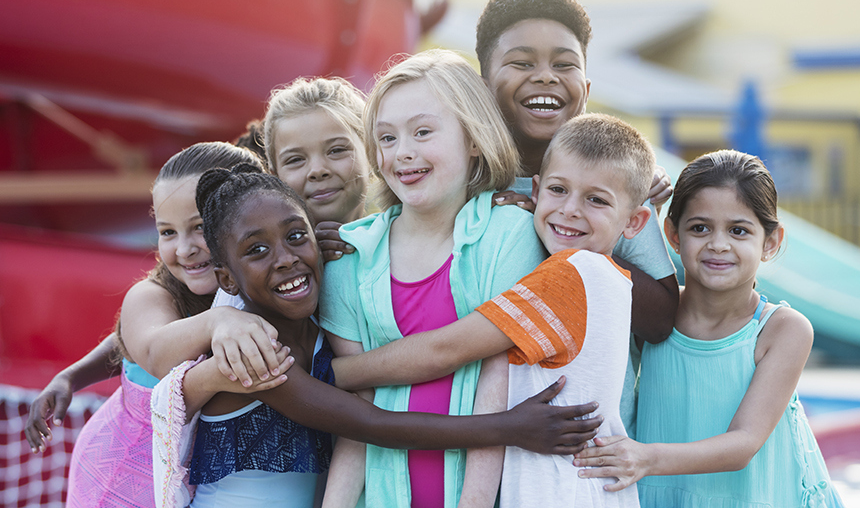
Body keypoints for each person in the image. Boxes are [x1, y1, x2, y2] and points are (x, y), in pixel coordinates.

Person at [152, 165, 603, 508]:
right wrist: (508, 428)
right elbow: (372, 425)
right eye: (257, 250)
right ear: (227, 280)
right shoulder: (252, 355)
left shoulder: (322, 321)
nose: (286, 258)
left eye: (295, 236)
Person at [332, 113, 656, 507]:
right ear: (534, 190)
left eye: (596, 200)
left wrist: (330, 374)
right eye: (558, 190)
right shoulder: (614, 281)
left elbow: (446, 350)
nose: (570, 210)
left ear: (635, 222)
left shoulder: (572, 275)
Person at [317, 49, 550, 507]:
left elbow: (496, 378)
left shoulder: (510, 235)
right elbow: (357, 417)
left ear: (474, 139)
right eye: (386, 138)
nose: (402, 153)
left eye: (423, 132)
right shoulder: (350, 256)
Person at [573, 150, 845, 508]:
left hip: (756, 497)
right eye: (699, 228)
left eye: (738, 230)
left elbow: (744, 443)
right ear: (672, 234)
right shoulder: (651, 315)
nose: (718, 244)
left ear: (771, 242)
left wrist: (645, 457)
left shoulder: (781, 330)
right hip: (659, 493)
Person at [25, 142, 284, 508]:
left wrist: (73, 375)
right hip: (122, 474)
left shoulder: (246, 289)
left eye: (199, 227)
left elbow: (121, 344)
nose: (184, 248)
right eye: (167, 232)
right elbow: (152, 351)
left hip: (187, 478)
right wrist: (219, 320)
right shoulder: (150, 295)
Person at [474, 0, 679, 438]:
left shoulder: (621, 190)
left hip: (588, 443)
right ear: (484, 85)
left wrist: (573, 245)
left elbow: (662, 316)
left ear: (584, 88)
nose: (545, 76)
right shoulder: (467, 185)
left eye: (563, 64)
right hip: (479, 434)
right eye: (522, 62)